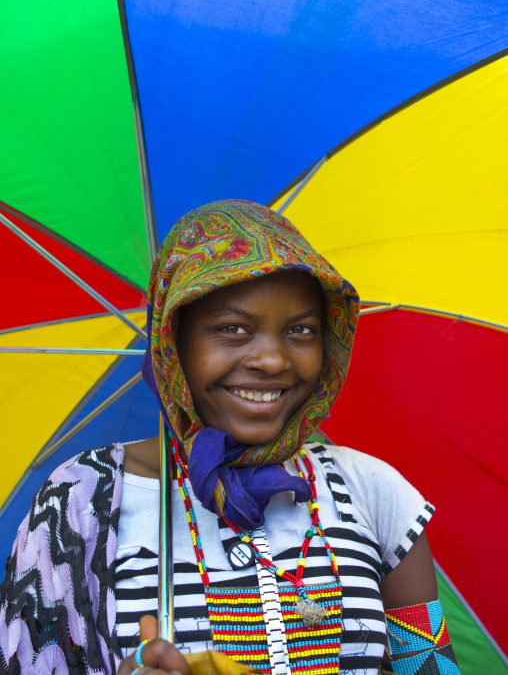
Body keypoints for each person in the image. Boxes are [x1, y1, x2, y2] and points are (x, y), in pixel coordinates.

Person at [0, 200, 459, 675]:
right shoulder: (81, 499)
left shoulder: (372, 492)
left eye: (301, 330)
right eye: (233, 329)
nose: (273, 360)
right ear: (172, 340)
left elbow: (431, 670)